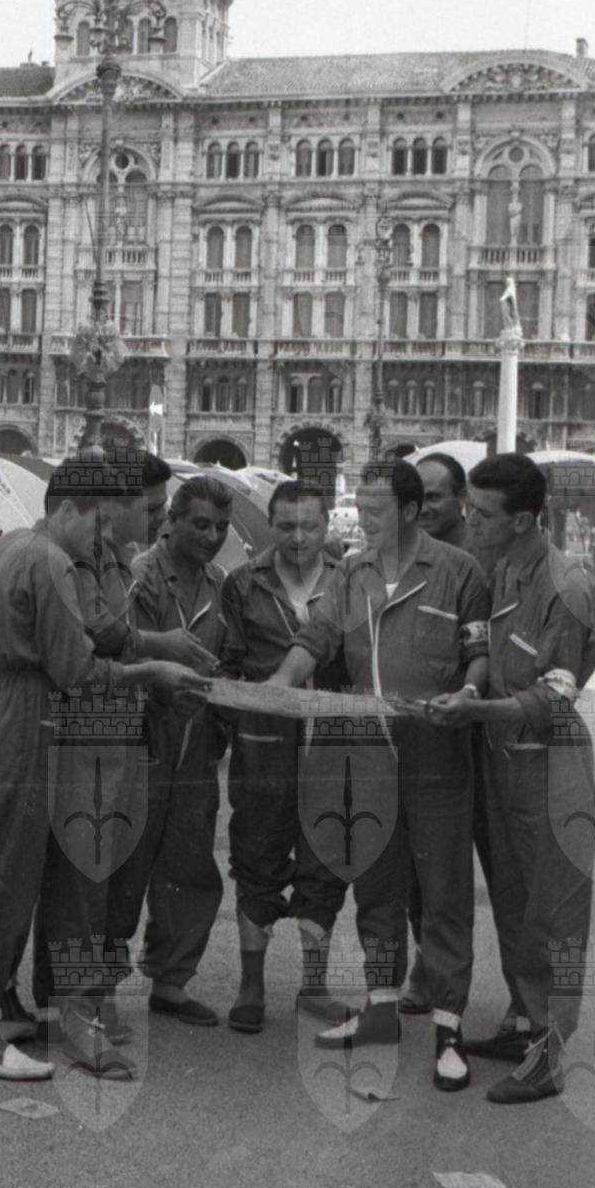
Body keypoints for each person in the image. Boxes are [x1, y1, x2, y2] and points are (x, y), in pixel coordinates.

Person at [0, 454, 203, 1081]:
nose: (104, 541)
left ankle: (4, 1005)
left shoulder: (8, 546)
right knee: (6, 878)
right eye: (100, 526)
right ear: (68, 509)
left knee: (3, 866)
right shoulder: (54, 564)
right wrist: (153, 671)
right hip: (23, 722)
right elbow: (81, 673)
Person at [270, 459, 489, 1093]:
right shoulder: (351, 571)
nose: (361, 520)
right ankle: (382, 1008)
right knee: (377, 888)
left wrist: (469, 694)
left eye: (374, 510)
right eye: (360, 507)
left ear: (412, 511)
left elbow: (478, 654)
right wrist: (282, 681)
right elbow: (317, 638)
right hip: (366, 756)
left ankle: (449, 1028)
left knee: (444, 894)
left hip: (436, 756)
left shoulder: (459, 572)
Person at [428, 454, 595, 1104]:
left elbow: (556, 696)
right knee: (512, 902)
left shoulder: (567, 588)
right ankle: (526, 1022)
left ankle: (549, 1058)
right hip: (499, 760)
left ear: (524, 519)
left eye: (481, 513)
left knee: (554, 912)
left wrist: (477, 711)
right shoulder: (499, 567)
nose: (469, 521)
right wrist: (471, 698)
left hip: (549, 766)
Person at [220, 480, 348, 1031]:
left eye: (310, 526)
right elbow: (228, 663)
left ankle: (314, 986)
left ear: (327, 526)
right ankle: (251, 986)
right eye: (287, 526)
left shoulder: (348, 580)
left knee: (326, 861)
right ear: (270, 525)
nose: (298, 537)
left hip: (331, 748)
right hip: (264, 748)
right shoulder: (243, 583)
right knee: (256, 858)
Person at [126, 473, 233, 1027]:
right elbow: (120, 654)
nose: (212, 537)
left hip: (196, 746)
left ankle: (170, 981)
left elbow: (228, 657)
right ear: (172, 521)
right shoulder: (140, 577)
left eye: (221, 527)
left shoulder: (220, 585)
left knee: (189, 865)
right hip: (143, 739)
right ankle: (93, 992)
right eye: (200, 525)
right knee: (123, 865)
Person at [400, 451, 471, 1015]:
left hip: (488, 734)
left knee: (494, 873)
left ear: (461, 499)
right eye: (417, 497)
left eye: (436, 497)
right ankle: (427, 966)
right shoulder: (405, 557)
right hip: (431, 739)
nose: (424, 507)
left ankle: (525, 1004)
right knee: (422, 868)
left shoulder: (484, 559)